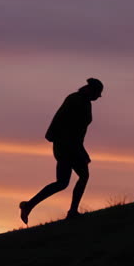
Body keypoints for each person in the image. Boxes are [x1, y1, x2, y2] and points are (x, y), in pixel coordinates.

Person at [20, 77, 103, 224]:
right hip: (66, 145)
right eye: (97, 93)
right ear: (91, 90)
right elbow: (64, 124)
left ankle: (29, 205)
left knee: (63, 182)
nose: (98, 97)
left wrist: (80, 149)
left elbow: (76, 130)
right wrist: (76, 149)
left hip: (70, 145)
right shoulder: (76, 100)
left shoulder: (84, 102)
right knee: (81, 176)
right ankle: (72, 212)